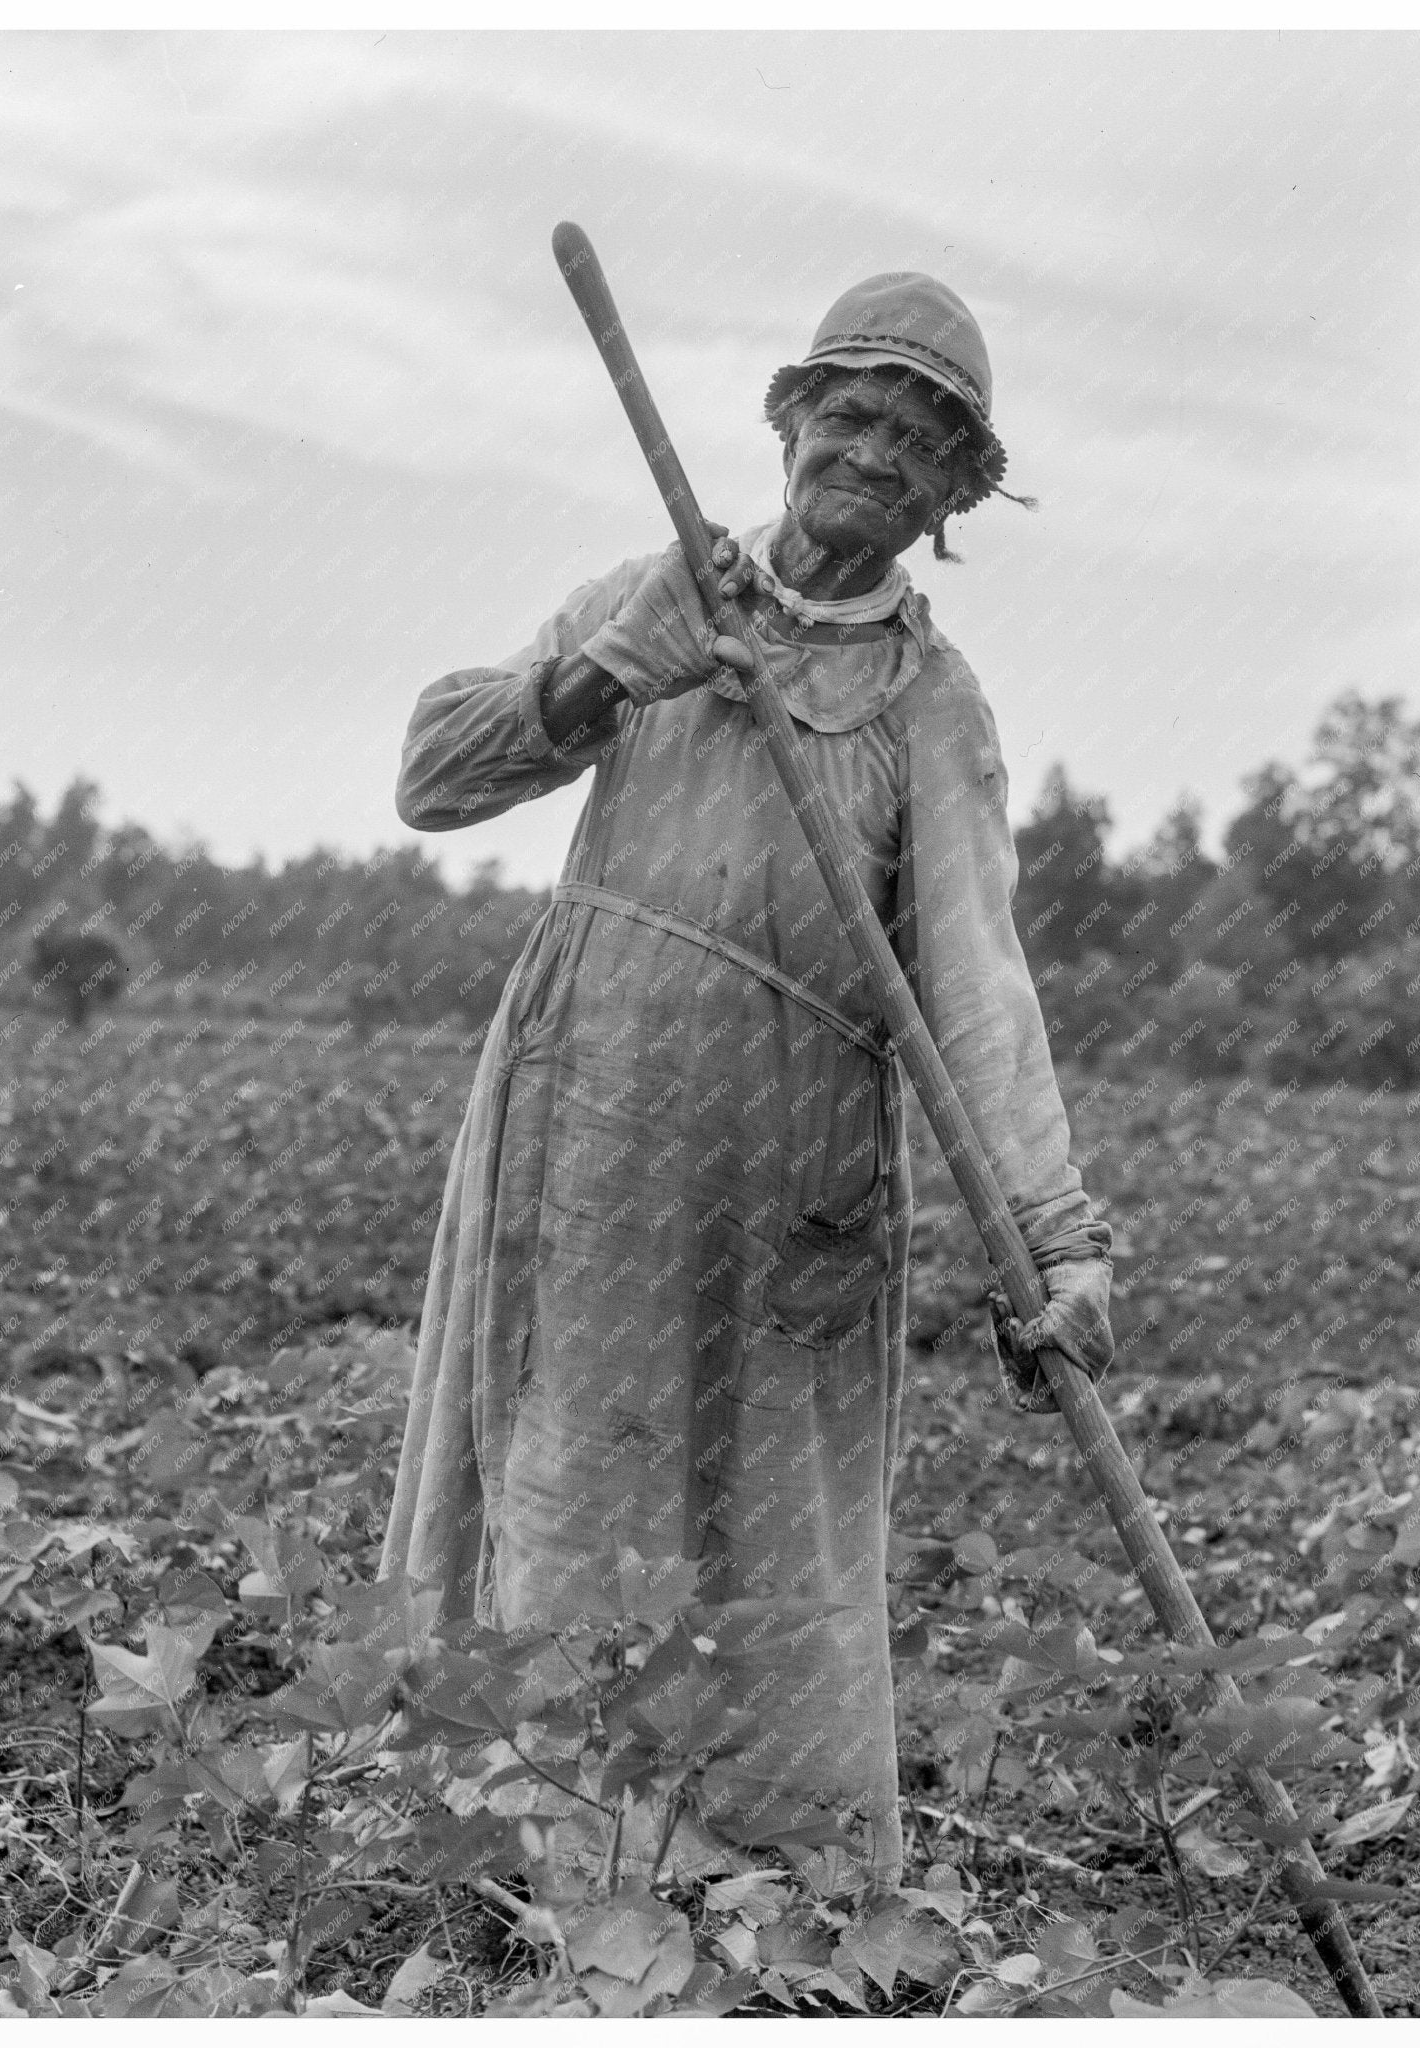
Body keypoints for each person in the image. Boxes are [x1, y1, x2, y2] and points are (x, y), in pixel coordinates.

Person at [381, 272, 1114, 1886]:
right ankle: (554, 1857)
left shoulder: (930, 701)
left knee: (764, 1505)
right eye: (847, 414)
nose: (873, 454)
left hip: (792, 1154)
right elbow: (433, 780)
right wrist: (601, 676)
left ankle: (756, 1870)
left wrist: (1052, 1240)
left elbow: (976, 989)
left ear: (949, 502)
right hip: (587, 1120)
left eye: (919, 444)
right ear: (786, 424)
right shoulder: (658, 593)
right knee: (574, 1458)